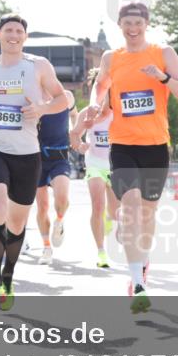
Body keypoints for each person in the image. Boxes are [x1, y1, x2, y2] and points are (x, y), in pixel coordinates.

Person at [0, 13, 69, 311]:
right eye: (8, 30)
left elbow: (63, 99)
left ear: (25, 37)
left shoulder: (38, 66)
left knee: (17, 223)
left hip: (27, 153)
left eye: (19, 31)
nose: (13, 35)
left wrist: (43, 109)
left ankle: (8, 278)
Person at [88, 2, 178, 313]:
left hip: (155, 145)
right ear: (120, 26)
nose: (132, 28)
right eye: (127, 23)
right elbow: (100, 86)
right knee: (131, 205)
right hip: (122, 144)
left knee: (147, 214)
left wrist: (162, 77)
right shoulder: (112, 58)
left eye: (137, 22)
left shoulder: (164, 53)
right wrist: (97, 103)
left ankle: (143, 261)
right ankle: (137, 283)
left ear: (146, 24)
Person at [70, 67, 117, 269]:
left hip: (116, 167)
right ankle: (101, 252)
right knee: (97, 205)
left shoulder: (118, 114)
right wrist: (79, 145)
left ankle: (111, 218)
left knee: (115, 213)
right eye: (97, 93)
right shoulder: (85, 114)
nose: (101, 97)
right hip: (95, 165)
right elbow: (74, 135)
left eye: (106, 91)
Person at [34, 90, 77, 264]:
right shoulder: (32, 97)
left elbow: (74, 115)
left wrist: (74, 133)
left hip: (60, 156)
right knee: (42, 206)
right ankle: (46, 248)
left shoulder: (67, 97)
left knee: (62, 197)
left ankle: (59, 222)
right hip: (37, 158)